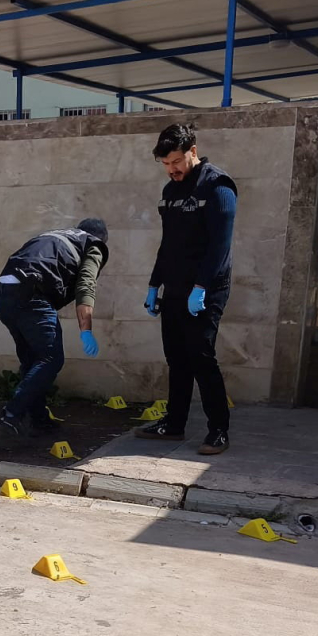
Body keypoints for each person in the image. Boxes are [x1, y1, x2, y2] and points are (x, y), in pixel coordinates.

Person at [135, 124, 237, 456]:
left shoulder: (218, 187)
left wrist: (202, 287)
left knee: (201, 356)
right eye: (165, 164)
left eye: (176, 161)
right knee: (176, 358)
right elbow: (168, 245)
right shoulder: (171, 192)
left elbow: (220, 246)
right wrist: (154, 284)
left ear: (193, 150)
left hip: (207, 289)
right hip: (176, 289)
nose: (172, 169)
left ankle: (218, 429)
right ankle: (174, 422)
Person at [0, 219, 109, 440]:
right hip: (31, 295)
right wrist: (86, 330)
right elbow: (86, 284)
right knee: (51, 359)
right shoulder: (93, 245)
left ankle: (38, 419)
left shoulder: (55, 236)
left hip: (4, 294)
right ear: (102, 237)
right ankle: (10, 415)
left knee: (32, 360)